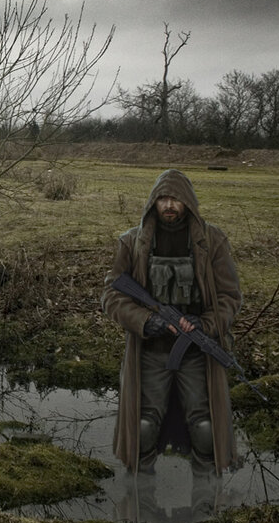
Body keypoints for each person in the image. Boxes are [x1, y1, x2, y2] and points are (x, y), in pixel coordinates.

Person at [100, 168, 242, 476]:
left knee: (205, 427)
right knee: (144, 426)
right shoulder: (132, 242)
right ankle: (140, 500)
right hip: (150, 350)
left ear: (188, 202)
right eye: (163, 198)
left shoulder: (213, 241)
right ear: (153, 202)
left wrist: (205, 325)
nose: (169, 206)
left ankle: (206, 501)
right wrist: (146, 321)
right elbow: (112, 295)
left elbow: (230, 297)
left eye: (175, 199)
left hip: (196, 351)